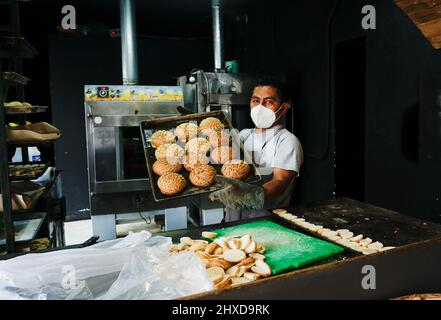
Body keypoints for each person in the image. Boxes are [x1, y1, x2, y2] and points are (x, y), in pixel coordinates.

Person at [209, 78, 304, 222]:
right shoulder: (243, 135)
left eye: (269, 101)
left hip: (266, 223)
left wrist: (250, 196)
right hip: (232, 220)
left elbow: (280, 182)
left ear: (284, 108)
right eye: (255, 100)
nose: (260, 107)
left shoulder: (287, 141)